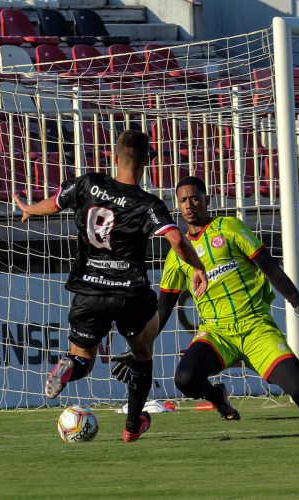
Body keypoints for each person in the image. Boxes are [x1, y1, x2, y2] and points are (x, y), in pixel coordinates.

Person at [13, 130, 208, 443]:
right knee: (142, 353)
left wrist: (29, 209)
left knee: (84, 361)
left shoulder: (88, 184)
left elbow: (55, 203)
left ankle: (70, 365)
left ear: (115, 157)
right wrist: (198, 267)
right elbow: (176, 239)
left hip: (89, 290)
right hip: (130, 294)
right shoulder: (148, 204)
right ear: (147, 162)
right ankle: (131, 427)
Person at [113, 175, 299, 420]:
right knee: (185, 379)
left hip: (255, 328)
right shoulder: (177, 254)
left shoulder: (229, 227)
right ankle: (217, 398)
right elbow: (163, 308)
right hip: (217, 334)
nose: (189, 205)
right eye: (183, 200)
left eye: (195, 198)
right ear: (177, 206)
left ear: (207, 199)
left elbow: (270, 268)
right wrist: (139, 346)